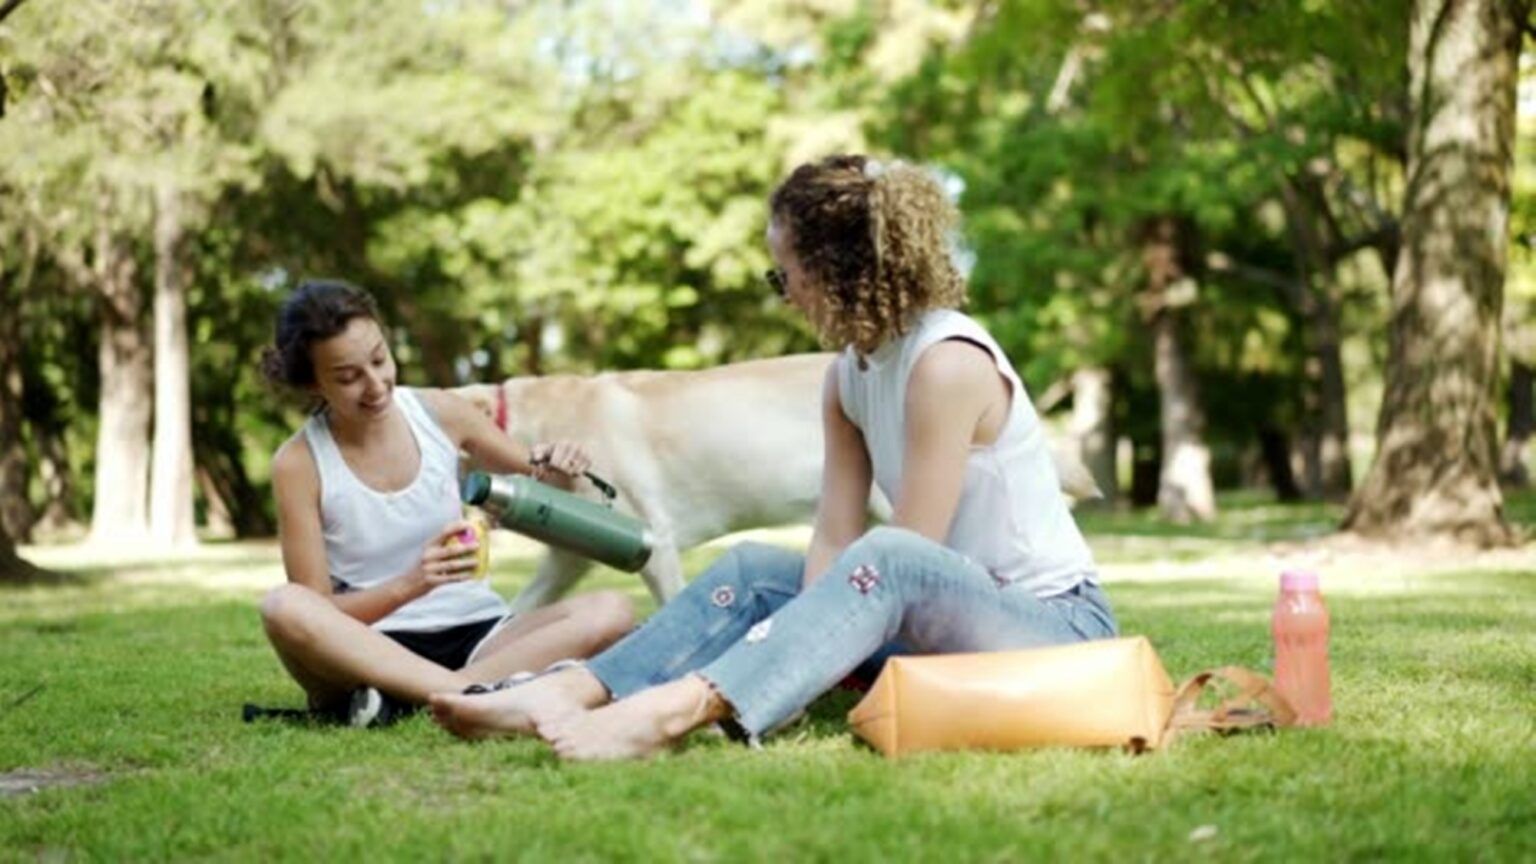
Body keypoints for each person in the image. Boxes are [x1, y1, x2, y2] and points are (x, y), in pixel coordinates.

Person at [429, 155, 1117, 758]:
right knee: (755, 566)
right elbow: (835, 536)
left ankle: (663, 715)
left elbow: (912, 561)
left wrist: (798, 650)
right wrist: (800, 649)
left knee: (890, 557)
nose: (783, 295)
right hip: (935, 619)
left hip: (1050, 627)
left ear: (832, 272)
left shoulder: (946, 363)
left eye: (781, 276)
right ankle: (565, 691)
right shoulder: (847, 375)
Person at [257, 280, 634, 727]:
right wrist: (412, 584)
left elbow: (542, 481)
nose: (376, 385)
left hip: (480, 635)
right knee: (284, 606)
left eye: (380, 359)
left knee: (613, 609)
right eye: (348, 377)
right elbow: (318, 607)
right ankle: (470, 694)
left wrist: (560, 461)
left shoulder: (440, 412)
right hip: (369, 647)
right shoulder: (298, 463)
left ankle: (420, 698)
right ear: (311, 382)